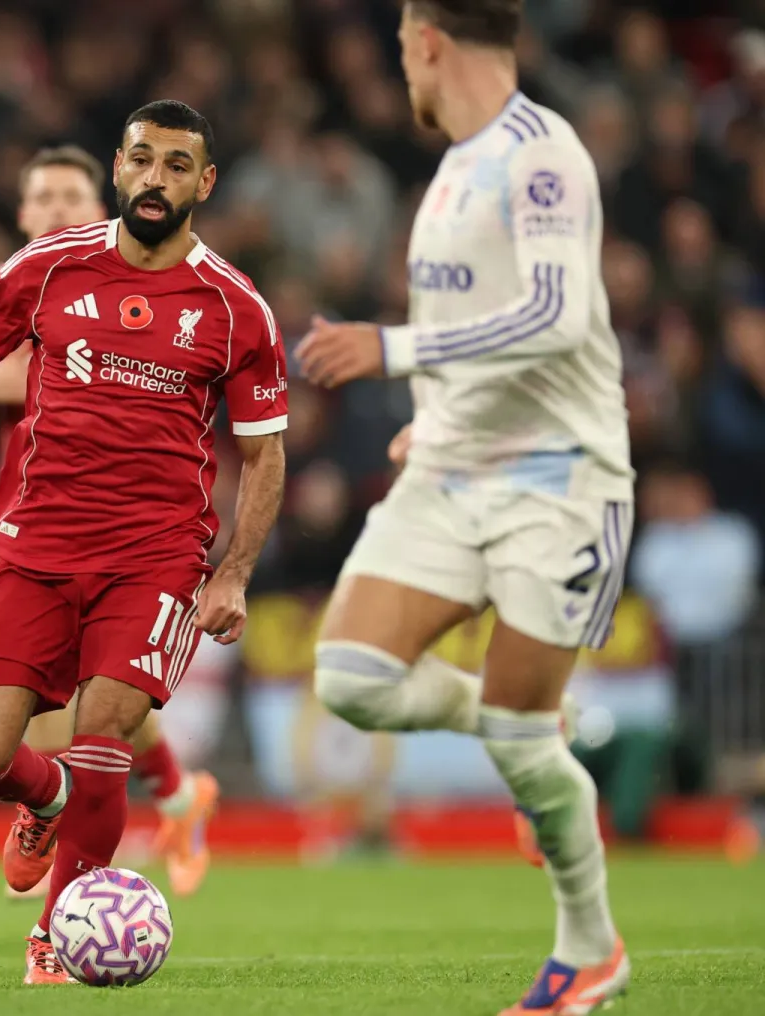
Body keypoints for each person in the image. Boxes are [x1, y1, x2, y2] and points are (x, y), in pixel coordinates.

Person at [0, 100, 288, 984]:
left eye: (175, 165)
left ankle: (56, 933)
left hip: (155, 557)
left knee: (101, 741)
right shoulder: (44, 270)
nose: (155, 180)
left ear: (204, 184)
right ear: (118, 171)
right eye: (141, 161)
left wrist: (232, 572)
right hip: (34, 545)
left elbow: (265, 450)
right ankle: (45, 799)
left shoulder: (236, 306)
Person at [296, 2, 632, 1012]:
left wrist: (392, 351)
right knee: (350, 676)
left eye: (402, 45)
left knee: (524, 743)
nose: (403, 66)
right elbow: (474, 325)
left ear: (429, 41)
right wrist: (432, 413)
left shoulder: (543, 156)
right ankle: (520, 719)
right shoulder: (448, 172)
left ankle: (590, 947)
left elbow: (556, 312)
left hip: (558, 481)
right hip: (451, 467)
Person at [0, 145, 221, 902]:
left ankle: (56, 918)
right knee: (69, 712)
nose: (53, 211)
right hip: (30, 522)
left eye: (68, 198)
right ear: (20, 214)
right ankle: (173, 794)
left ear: (102, 202)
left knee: (88, 714)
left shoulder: (136, 281)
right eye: (39, 198)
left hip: (128, 528)